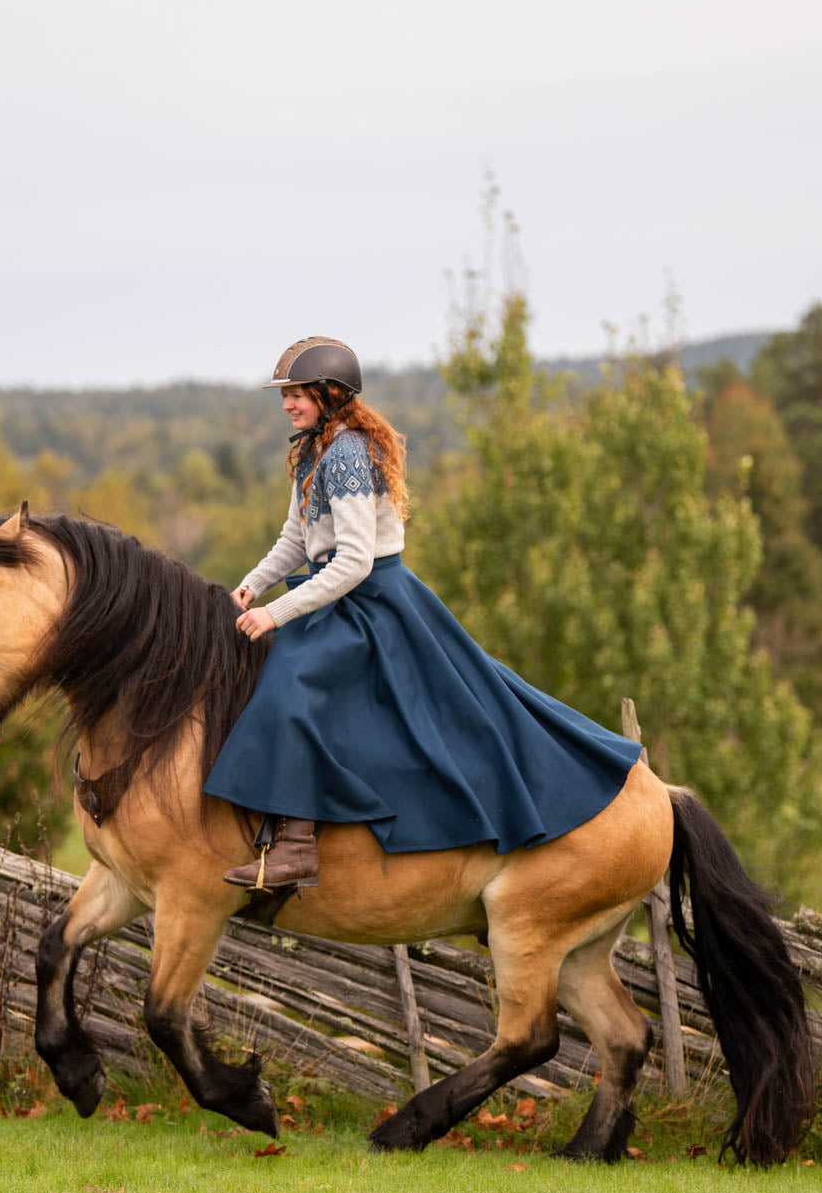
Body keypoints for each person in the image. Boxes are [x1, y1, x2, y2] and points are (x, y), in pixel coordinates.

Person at [204, 336, 641, 891]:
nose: (287, 404)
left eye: (297, 394)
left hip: (372, 601)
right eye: (285, 395)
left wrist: (277, 613)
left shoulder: (346, 455)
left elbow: (355, 561)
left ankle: (296, 848)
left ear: (332, 393)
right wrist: (251, 587)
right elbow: (297, 537)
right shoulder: (314, 449)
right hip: (339, 594)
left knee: (292, 684)